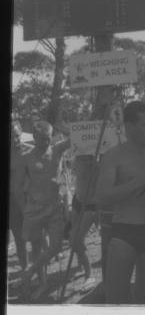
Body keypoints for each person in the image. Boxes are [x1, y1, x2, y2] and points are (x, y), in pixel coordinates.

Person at [95, 101, 145, 304]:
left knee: (144, 300)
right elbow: (102, 198)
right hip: (124, 233)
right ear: (129, 126)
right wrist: (139, 182)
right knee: (116, 301)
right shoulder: (113, 156)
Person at [15, 121, 70, 299]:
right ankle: (42, 283)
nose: (45, 142)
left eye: (47, 138)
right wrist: (24, 210)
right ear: (34, 137)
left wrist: (65, 128)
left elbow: (77, 136)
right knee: (37, 248)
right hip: (35, 209)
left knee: (55, 247)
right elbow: (17, 187)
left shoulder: (57, 150)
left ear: (51, 136)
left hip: (55, 208)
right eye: (41, 139)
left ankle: (28, 272)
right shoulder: (26, 156)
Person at [9, 121, 33, 272]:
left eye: (16, 136)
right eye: (11, 137)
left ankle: (40, 270)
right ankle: (25, 269)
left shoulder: (30, 151)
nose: (15, 140)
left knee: (37, 235)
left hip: (28, 198)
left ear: (21, 133)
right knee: (19, 238)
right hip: (11, 201)